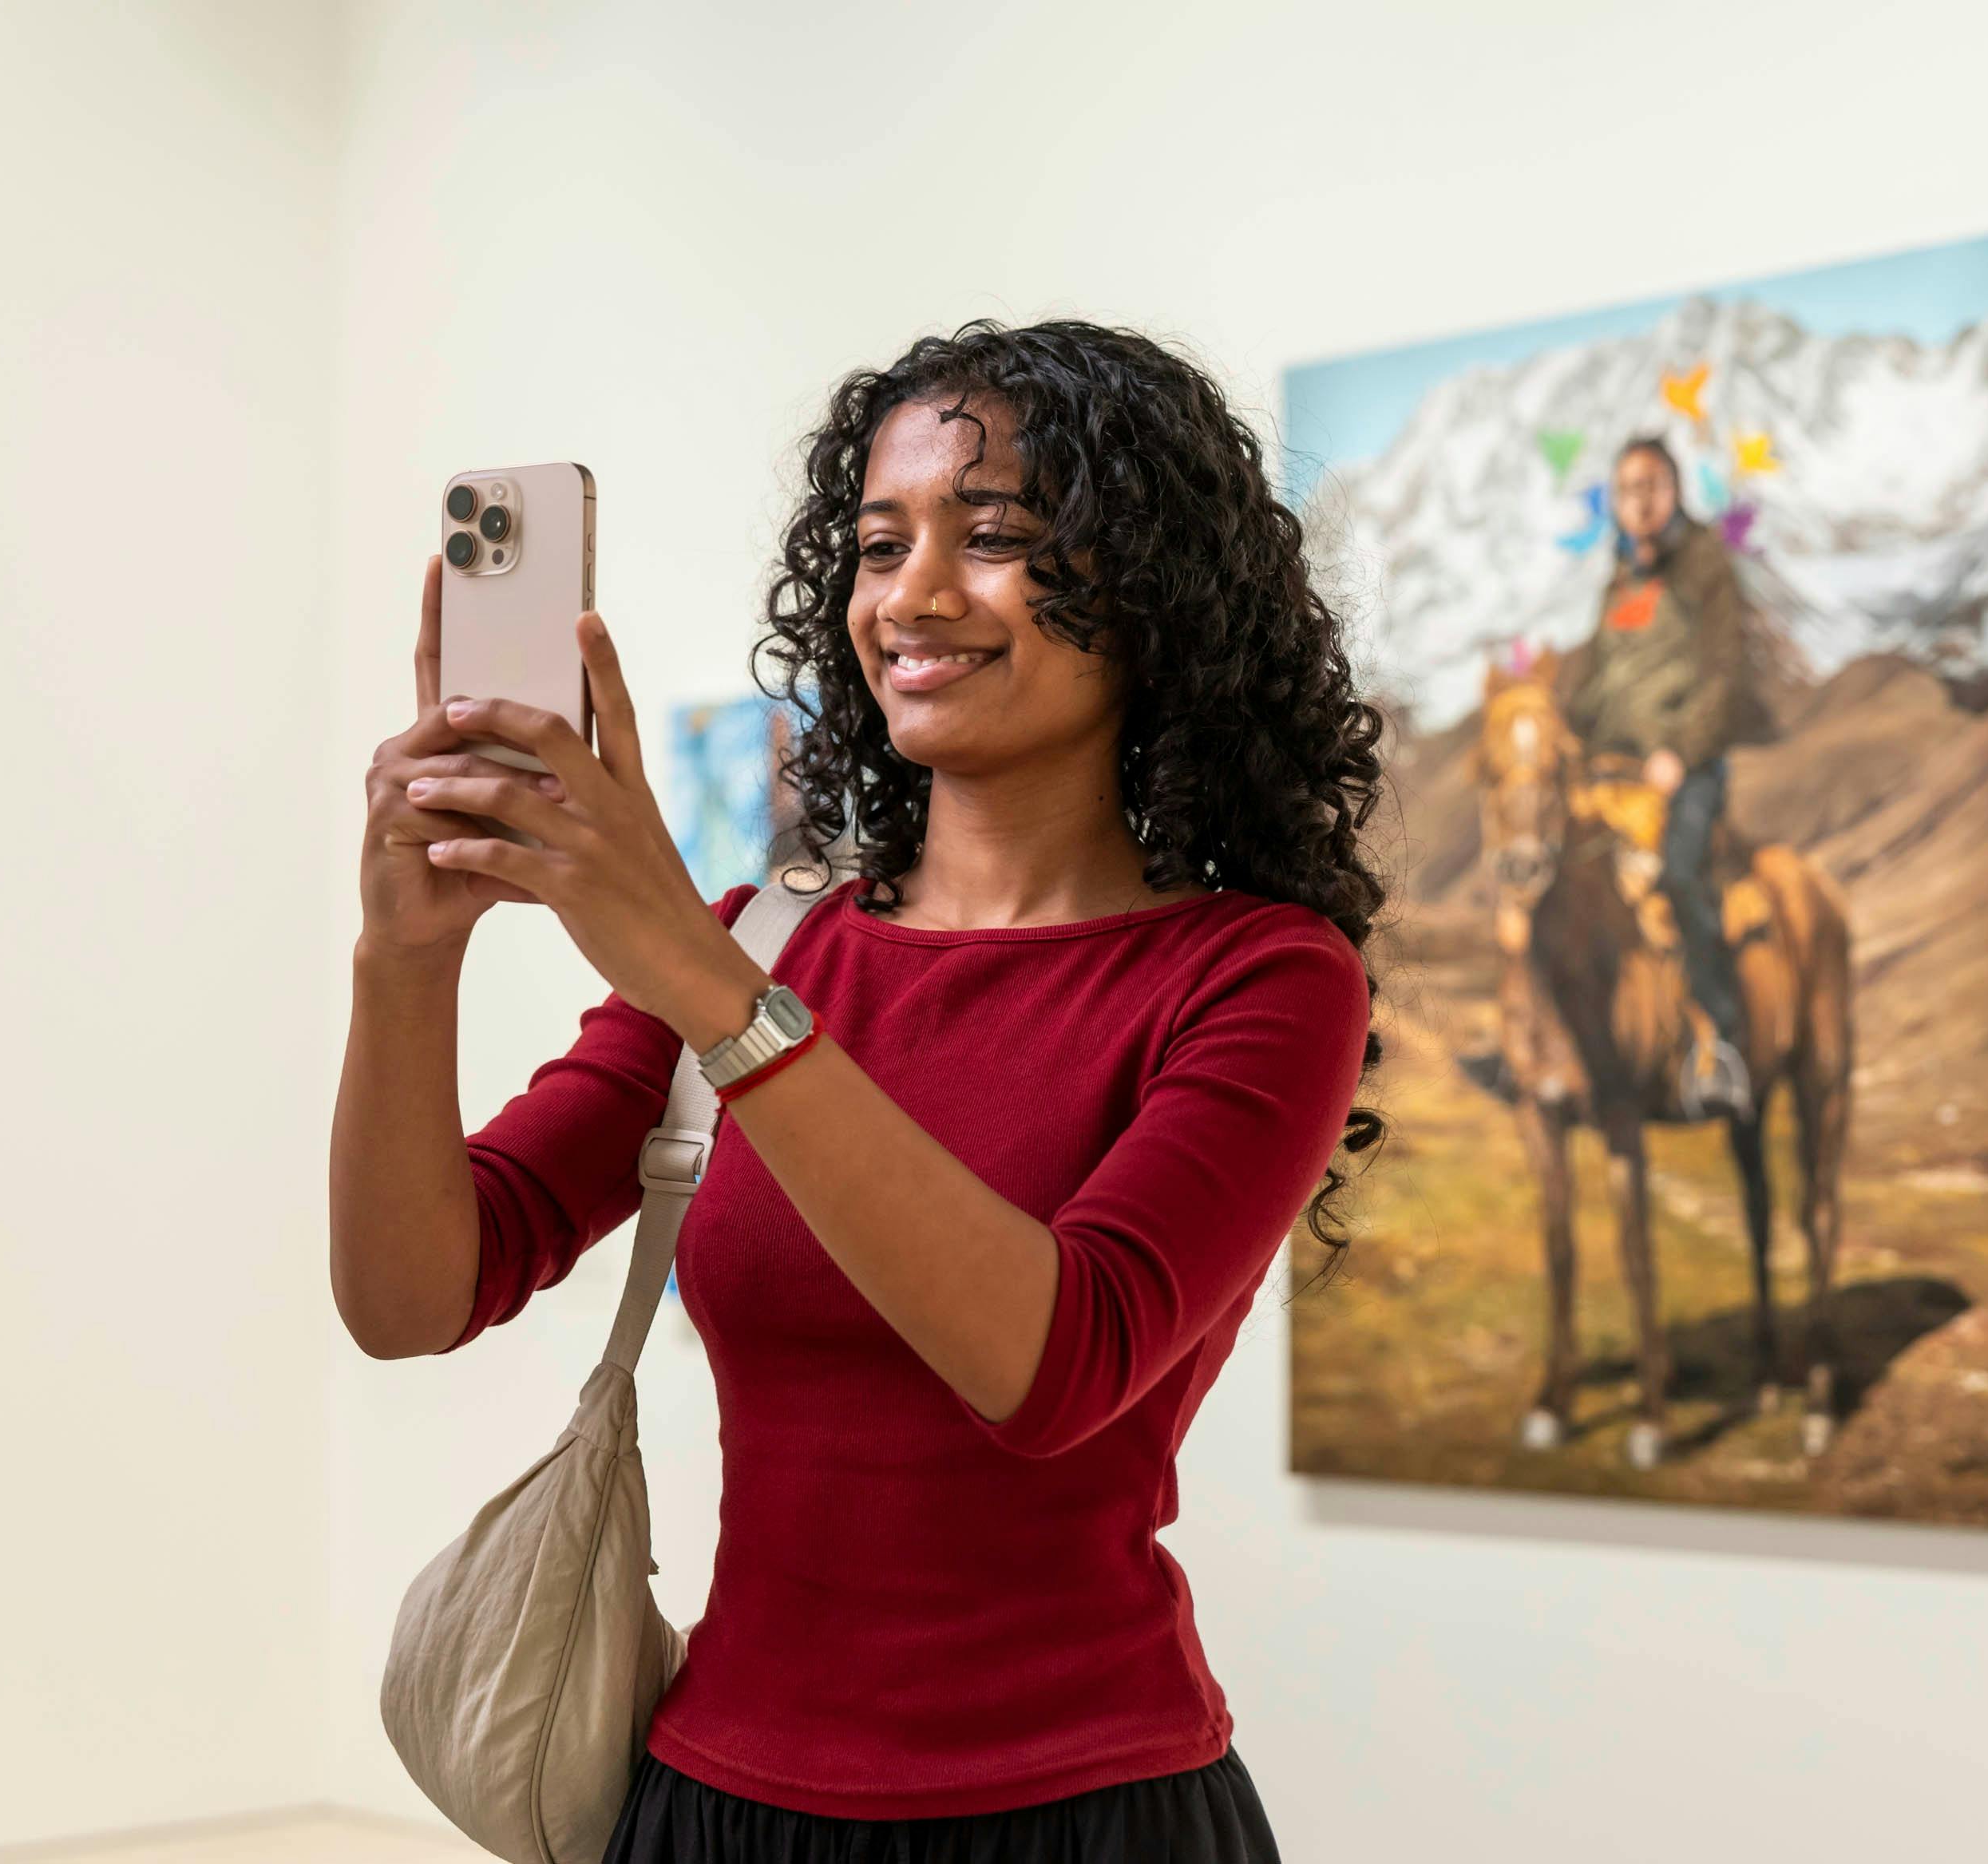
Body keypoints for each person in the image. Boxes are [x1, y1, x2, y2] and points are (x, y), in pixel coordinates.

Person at [332, 319, 1388, 1862]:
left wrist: (709, 995)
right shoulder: (763, 940)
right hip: (711, 1805)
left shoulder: (1257, 978)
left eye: (1001, 537)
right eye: (881, 543)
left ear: (1154, 596)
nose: (916, 595)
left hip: (1087, 1816)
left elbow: (1055, 1364)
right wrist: (400, 964)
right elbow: (411, 1296)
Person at [1554, 433, 1776, 1120]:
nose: (1639, 501)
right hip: (1612, 779)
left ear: (1674, 492)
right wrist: (1563, 730)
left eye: (1651, 486)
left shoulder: (1706, 563)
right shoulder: (1618, 579)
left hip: (1688, 772)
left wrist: (1680, 750)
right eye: (1626, 490)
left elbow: (1728, 675)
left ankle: (1721, 1046)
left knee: (1679, 874)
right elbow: (1592, 686)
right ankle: (1545, 1045)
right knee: (1553, 881)